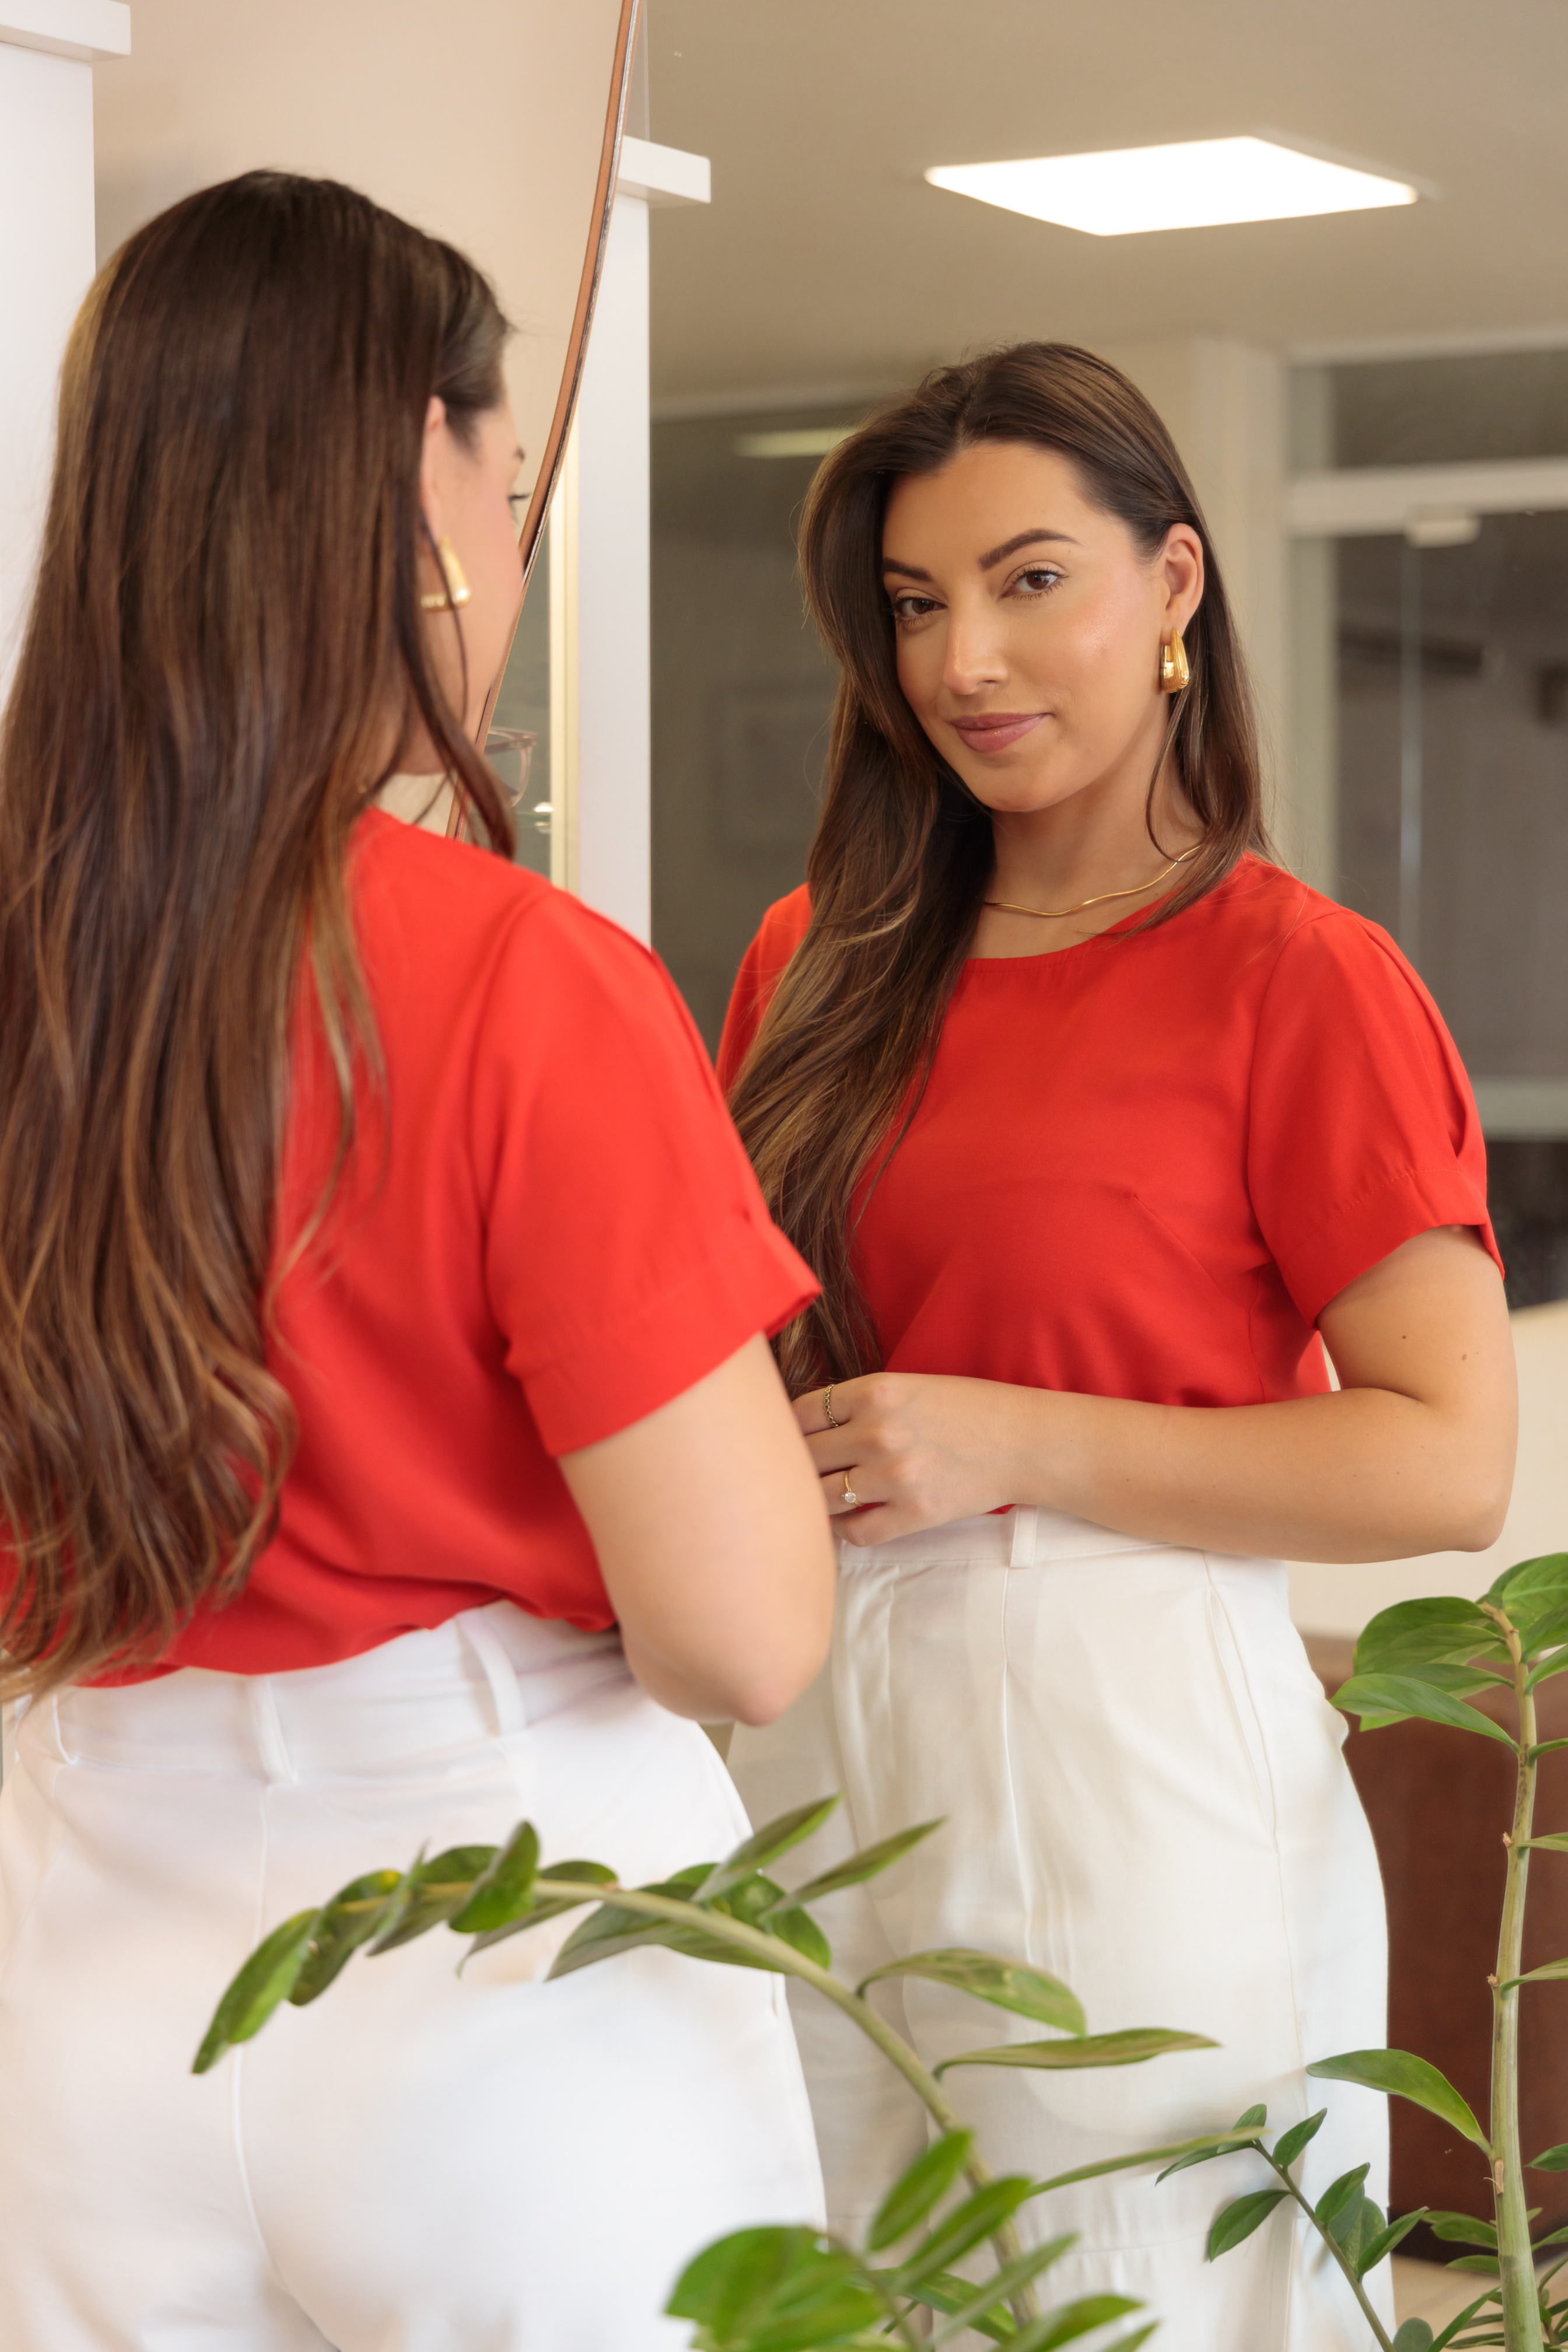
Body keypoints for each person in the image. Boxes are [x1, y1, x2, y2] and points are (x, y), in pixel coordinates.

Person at [0, 172, 835, 2352]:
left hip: (80, 1960)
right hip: (498, 1936)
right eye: (511, 464)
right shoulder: (521, 979)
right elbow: (741, 1632)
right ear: (422, 496)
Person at [718, 342, 1518, 2348]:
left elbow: (1445, 1458)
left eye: (1030, 580)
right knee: (831, 2289)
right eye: (915, 606)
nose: (965, 657)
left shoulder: (1300, 980)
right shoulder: (811, 960)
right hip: (803, 1728)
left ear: (1175, 589)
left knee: (1137, 2300)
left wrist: (1013, 1439)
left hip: (1133, 1745)